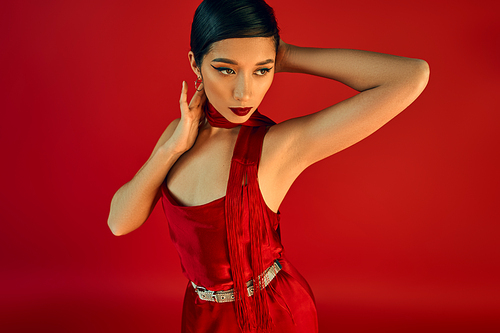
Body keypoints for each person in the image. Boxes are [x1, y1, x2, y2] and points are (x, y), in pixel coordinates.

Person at [107, 0, 429, 332]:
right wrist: (170, 150)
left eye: (262, 70)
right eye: (226, 69)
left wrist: (287, 55)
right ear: (195, 63)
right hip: (201, 315)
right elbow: (119, 222)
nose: (245, 92)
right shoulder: (177, 137)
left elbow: (412, 75)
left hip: (271, 316)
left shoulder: (277, 147)